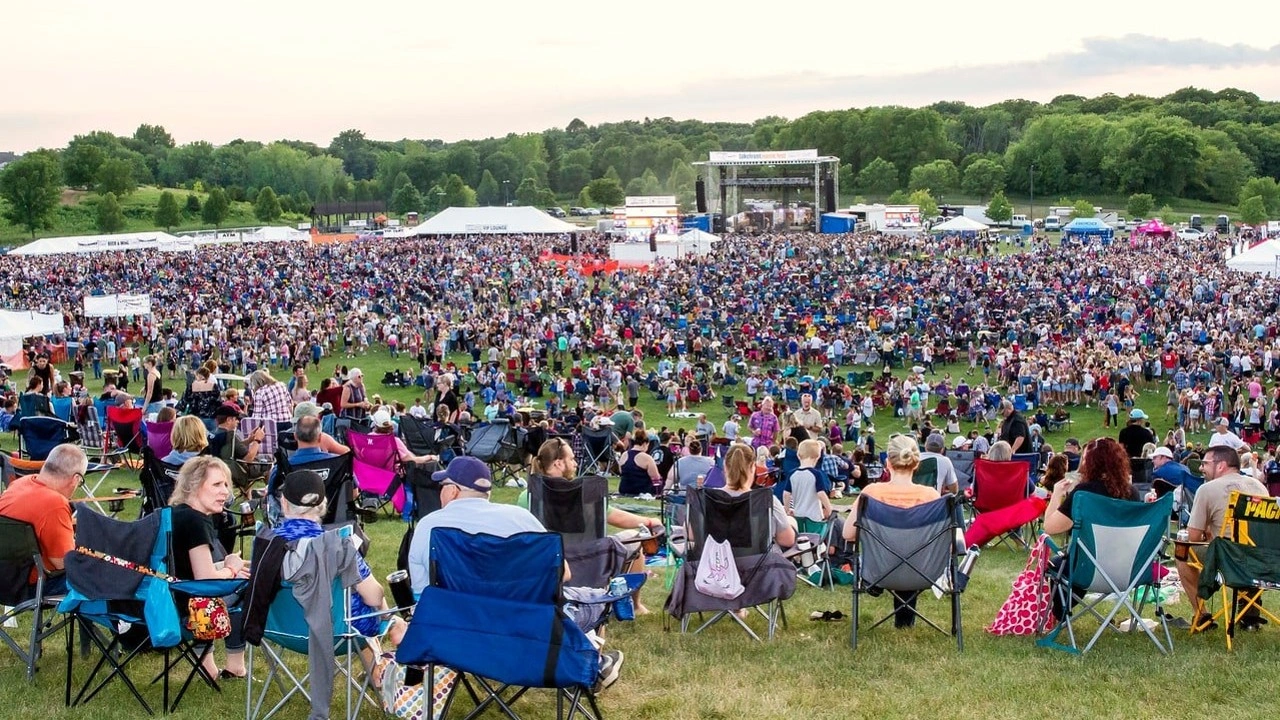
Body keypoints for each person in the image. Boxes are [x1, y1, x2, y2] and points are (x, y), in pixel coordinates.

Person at [408, 455, 627, 691]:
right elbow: (563, 574)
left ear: (452, 492)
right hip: (530, 636)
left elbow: (422, 598)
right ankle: (587, 665)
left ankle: (587, 663)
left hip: (458, 640)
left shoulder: (428, 527)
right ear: (487, 494)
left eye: (442, 486)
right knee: (593, 601)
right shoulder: (519, 518)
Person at [271, 470, 406, 657]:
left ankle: (377, 670)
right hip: (338, 632)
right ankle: (393, 629)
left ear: (284, 503)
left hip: (282, 628)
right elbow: (374, 598)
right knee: (369, 598)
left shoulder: (266, 542)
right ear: (323, 504)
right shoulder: (336, 544)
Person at [842, 435, 940, 628]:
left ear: (887, 462)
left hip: (878, 569)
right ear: (916, 464)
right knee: (908, 553)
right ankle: (904, 622)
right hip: (923, 571)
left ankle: (881, 589)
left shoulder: (871, 493)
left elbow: (848, 534)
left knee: (894, 555)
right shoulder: (931, 496)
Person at [167, 456, 248, 679]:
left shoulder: (174, 513)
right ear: (193, 486)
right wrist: (231, 569)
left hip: (168, 599)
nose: (226, 492)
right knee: (247, 588)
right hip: (188, 608)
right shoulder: (197, 520)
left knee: (234, 577)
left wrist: (226, 566)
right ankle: (235, 665)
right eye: (217, 484)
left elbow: (187, 568)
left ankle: (207, 666)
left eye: (225, 485)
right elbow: (205, 580)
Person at [1174, 445, 1269, 630]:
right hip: (1263, 562)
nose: (1201, 468)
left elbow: (1193, 537)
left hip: (1229, 561)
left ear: (1221, 465)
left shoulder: (1207, 489)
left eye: (1205, 463)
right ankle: (1249, 615)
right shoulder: (1259, 486)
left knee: (1182, 552)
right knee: (1247, 544)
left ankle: (1202, 616)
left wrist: (1207, 533)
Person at [0, 444, 88, 596]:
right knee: (97, 578)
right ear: (75, 479)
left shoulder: (19, 484)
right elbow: (63, 563)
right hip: (32, 586)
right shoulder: (55, 504)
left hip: (5, 579)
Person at [722, 443, 796, 548]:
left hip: (714, 562)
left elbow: (693, 535)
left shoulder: (707, 497)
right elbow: (787, 540)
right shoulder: (767, 500)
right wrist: (791, 522)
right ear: (753, 467)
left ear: (725, 466)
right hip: (757, 562)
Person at [781, 439, 832, 535]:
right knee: (816, 539)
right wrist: (830, 510)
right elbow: (821, 494)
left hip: (798, 515)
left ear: (798, 455)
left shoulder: (792, 474)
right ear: (818, 456)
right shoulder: (816, 474)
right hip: (814, 516)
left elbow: (786, 494)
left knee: (801, 539)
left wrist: (787, 509)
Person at [210, 403, 264, 491]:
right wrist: (257, 440)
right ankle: (270, 496)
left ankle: (248, 496)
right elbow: (248, 458)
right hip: (231, 472)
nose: (238, 421)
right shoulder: (230, 435)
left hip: (215, 469)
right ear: (228, 420)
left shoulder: (213, 433)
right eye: (236, 419)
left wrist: (249, 440)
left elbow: (232, 447)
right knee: (267, 466)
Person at [617, 430, 662, 496]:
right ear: (645, 443)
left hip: (624, 490)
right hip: (642, 491)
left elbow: (621, 471)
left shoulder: (624, 455)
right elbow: (656, 478)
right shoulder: (647, 458)